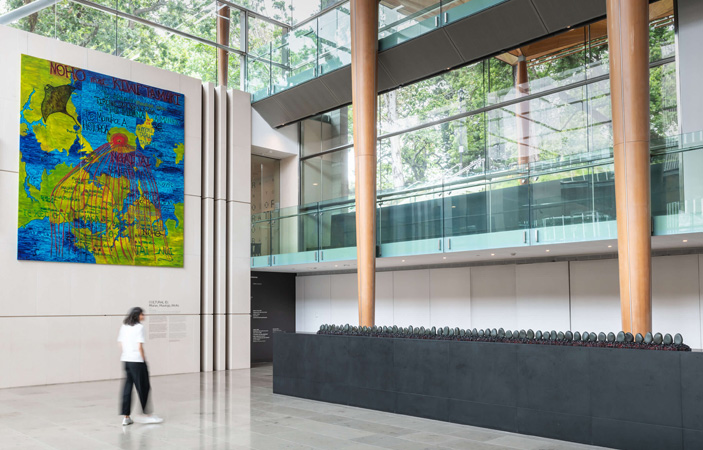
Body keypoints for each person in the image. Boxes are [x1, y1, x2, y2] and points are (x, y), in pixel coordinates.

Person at [118, 307, 163, 425]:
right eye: (142, 314)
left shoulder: (124, 326)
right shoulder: (140, 327)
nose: (144, 316)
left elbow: (121, 344)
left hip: (126, 360)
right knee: (143, 387)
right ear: (137, 315)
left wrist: (127, 354)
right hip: (137, 361)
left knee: (127, 388)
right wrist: (143, 360)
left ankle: (126, 417)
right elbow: (140, 347)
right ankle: (147, 415)